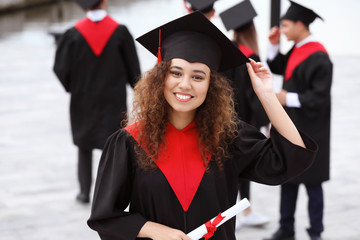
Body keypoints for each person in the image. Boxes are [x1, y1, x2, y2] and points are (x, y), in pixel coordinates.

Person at [87, 12, 317, 240]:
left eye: (198, 77)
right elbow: (105, 218)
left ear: (211, 85)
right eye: (175, 73)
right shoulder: (129, 142)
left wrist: (267, 96)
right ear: (160, 78)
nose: (185, 84)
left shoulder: (229, 137)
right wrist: (155, 231)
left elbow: (290, 160)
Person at [53, 0, 141, 204]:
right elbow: (134, 71)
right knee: (111, 148)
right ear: (104, 1)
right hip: (113, 101)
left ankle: (84, 193)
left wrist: (72, 86)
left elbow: (60, 69)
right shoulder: (120, 32)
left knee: (84, 147)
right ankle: (109, 196)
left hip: (82, 101)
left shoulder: (72, 34)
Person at [263, 1, 332, 240]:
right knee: (288, 180)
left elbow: (320, 97)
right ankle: (286, 229)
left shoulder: (320, 56)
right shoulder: (297, 48)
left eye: (285, 25)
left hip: (314, 129)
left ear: (300, 25)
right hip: (293, 126)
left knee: (313, 185)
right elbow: (281, 67)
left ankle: (316, 233)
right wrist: (273, 46)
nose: (281, 30)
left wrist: (286, 97)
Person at [219, 0, 270, 229]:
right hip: (245, 121)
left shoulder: (225, 52)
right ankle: (245, 212)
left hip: (222, 118)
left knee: (225, 166)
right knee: (244, 168)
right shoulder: (251, 56)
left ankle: (228, 212)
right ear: (252, 29)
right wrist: (267, 122)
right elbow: (255, 95)